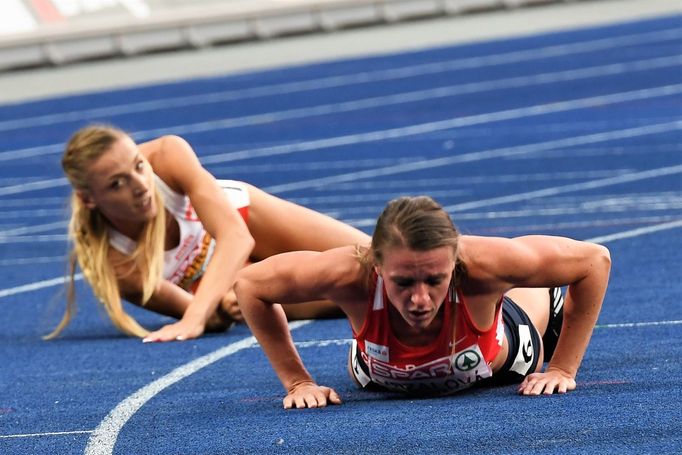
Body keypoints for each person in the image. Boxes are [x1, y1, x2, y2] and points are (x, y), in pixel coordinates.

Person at [234, 196, 611, 406]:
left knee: (524, 290)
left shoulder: (484, 263)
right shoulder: (346, 272)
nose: (419, 299)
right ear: (377, 264)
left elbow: (595, 260)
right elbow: (250, 286)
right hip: (377, 374)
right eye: (402, 282)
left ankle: (545, 298)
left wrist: (562, 368)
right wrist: (298, 382)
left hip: (502, 358)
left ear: (453, 262)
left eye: (435, 280)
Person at [45, 124, 370, 342]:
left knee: (375, 259)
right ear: (88, 199)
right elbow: (195, 312)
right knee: (352, 292)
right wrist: (217, 311)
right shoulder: (115, 263)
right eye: (117, 183)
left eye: (139, 166)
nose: (140, 186)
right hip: (222, 282)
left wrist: (197, 316)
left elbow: (236, 237)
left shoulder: (168, 153)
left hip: (245, 219)